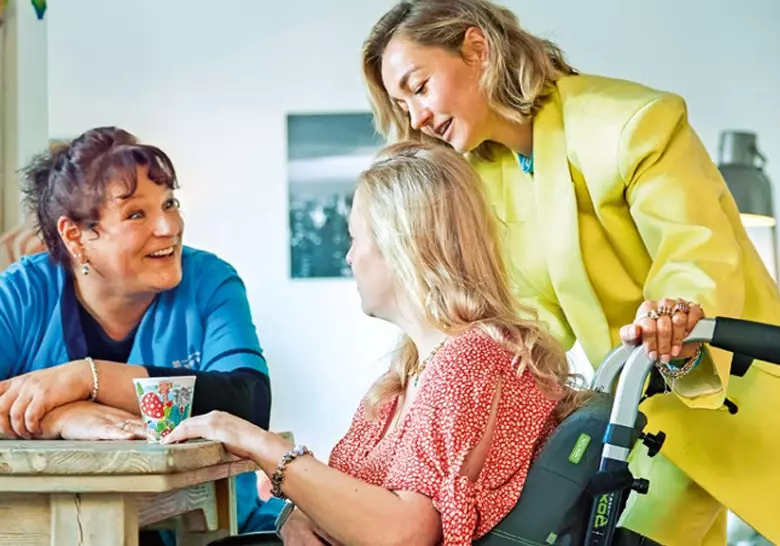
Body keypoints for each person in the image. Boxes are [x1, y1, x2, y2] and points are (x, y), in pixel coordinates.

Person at [359, 1, 780, 544]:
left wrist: (674, 312)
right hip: (647, 421)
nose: (416, 117)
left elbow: (695, 251)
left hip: (743, 389)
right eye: (402, 105)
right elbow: (523, 320)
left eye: (419, 87)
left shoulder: (632, 123)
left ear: (477, 48)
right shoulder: (486, 178)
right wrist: (431, 384)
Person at [163, 141, 590, 546]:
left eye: (355, 238)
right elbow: (354, 496)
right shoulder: (415, 366)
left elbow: (405, 534)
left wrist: (258, 443)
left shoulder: (469, 360)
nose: (349, 257)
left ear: (402, 245)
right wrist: (295, 512)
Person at [0, 127, 283, 544]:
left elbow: (250, 401)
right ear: (75, 236)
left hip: (205, 534)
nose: (169, 227)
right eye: (136, 214)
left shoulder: (209, 281)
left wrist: (87, 378)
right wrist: (60, 418)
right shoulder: (22, 293)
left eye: (170, 204)